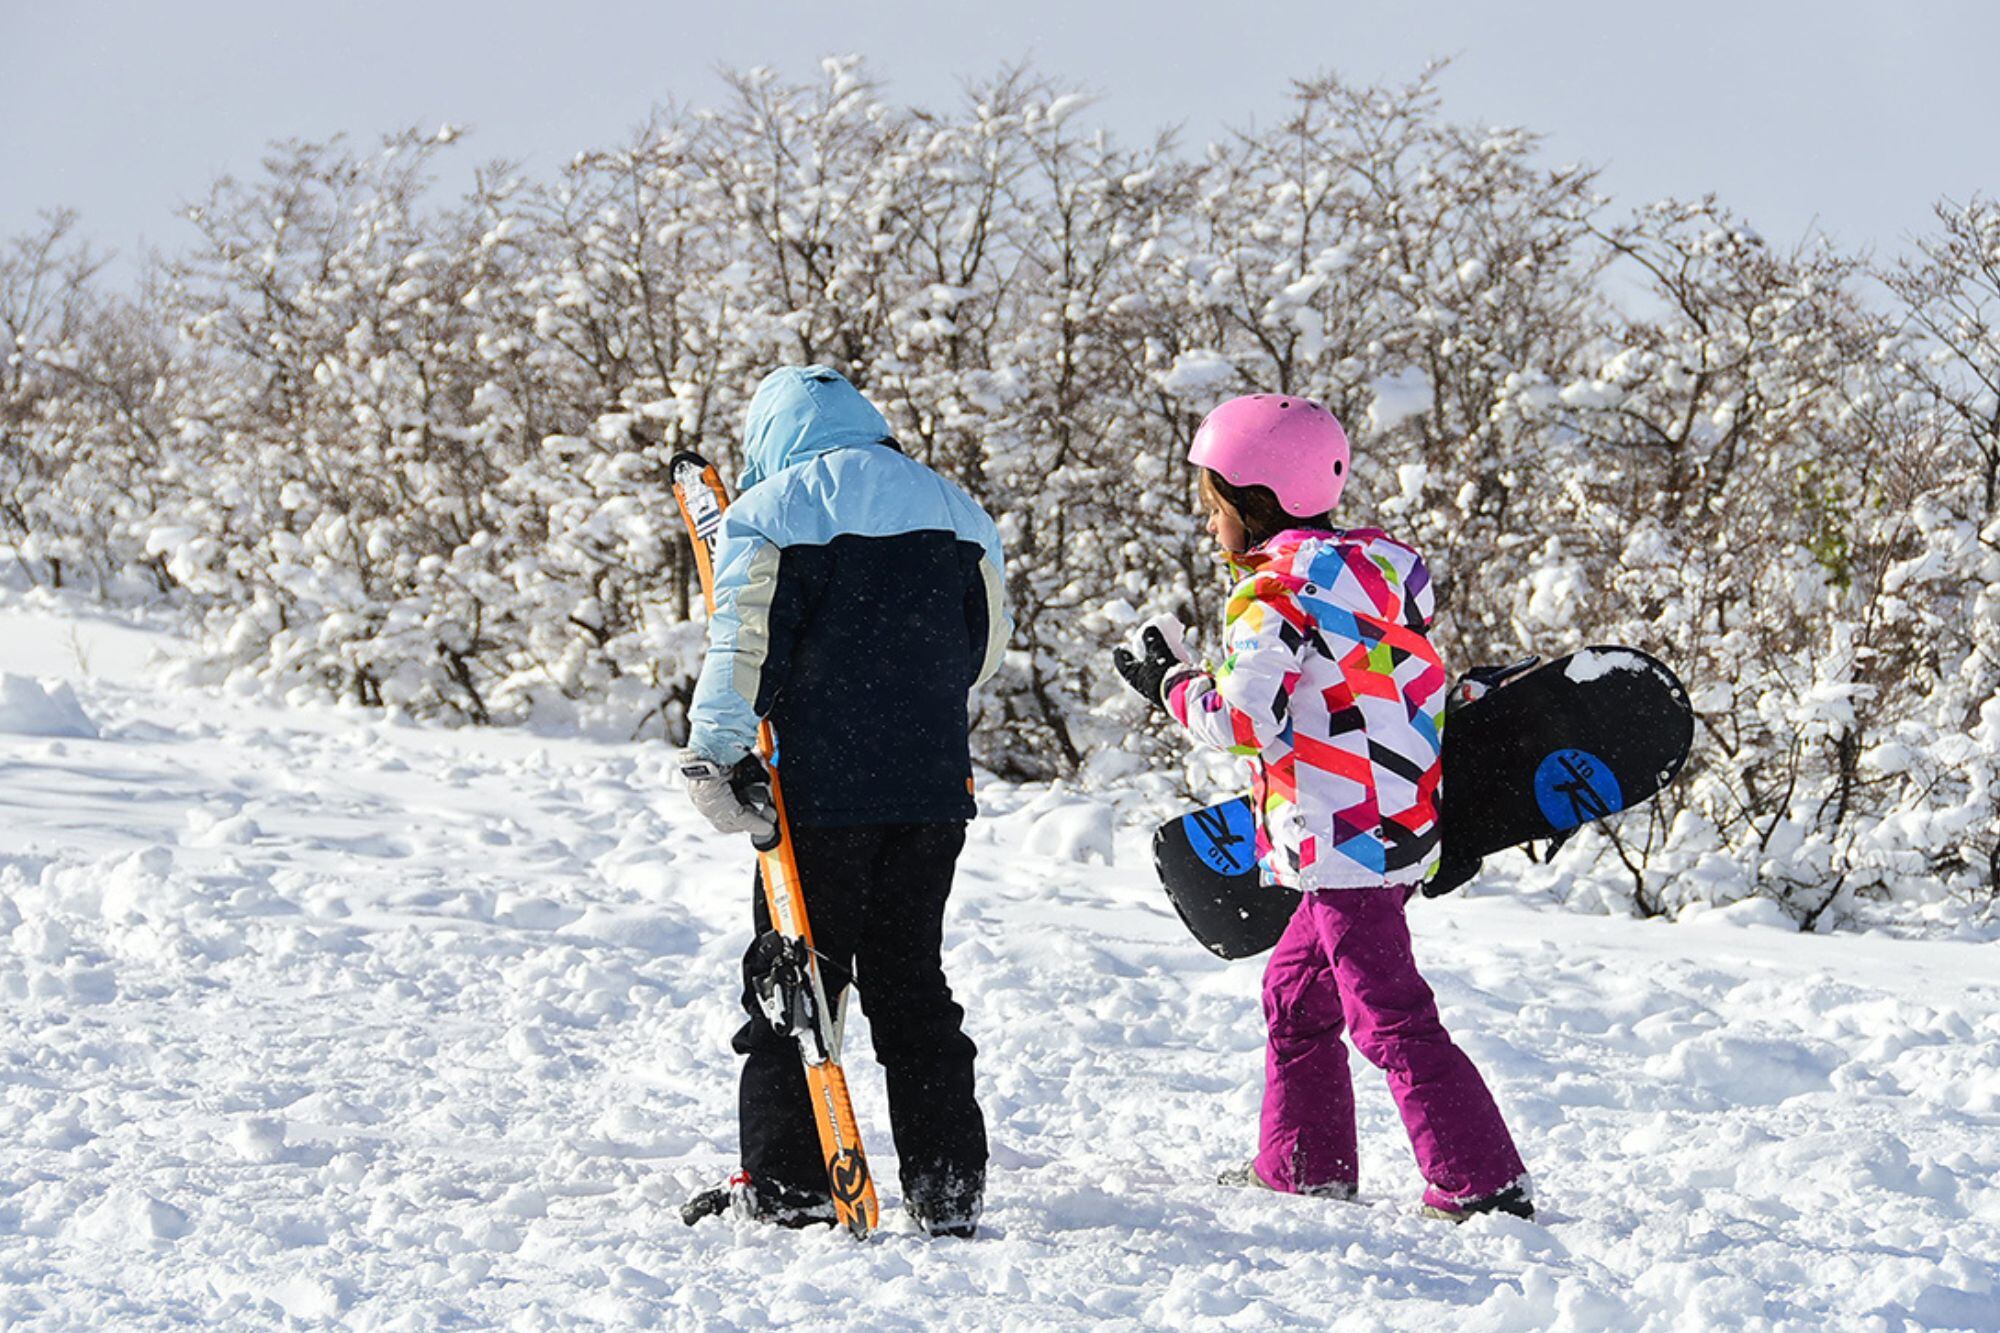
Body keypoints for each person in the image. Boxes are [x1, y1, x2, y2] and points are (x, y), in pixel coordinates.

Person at [1114, 393, 1532, 1222]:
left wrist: (1169, 681)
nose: (1209, 526)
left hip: (1343, 842)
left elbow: (1243, 719)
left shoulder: (1274, 594)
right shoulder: (1380, 572)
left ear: (1255, 500)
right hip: (1396, 821)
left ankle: (1479, 1180)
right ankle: (1303, 1164)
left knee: (1388, 1015)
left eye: (1213, 504)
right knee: (1296, 997)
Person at [678, 365, 1009, 1238]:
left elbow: (739, 645)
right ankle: (946, 1186)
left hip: (818, 797)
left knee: (796, 985)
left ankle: (791, 1184)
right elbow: (983, 652)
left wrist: (715, 756)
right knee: (911, 984)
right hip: (932, 795)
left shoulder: (768, 513)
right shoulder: (960, 512)